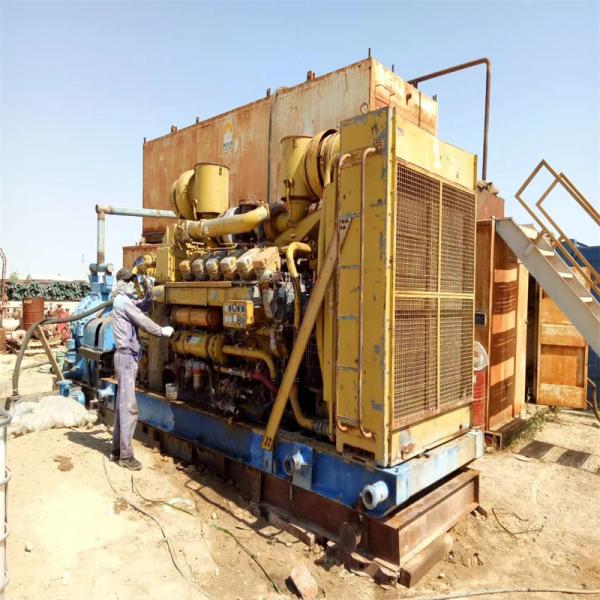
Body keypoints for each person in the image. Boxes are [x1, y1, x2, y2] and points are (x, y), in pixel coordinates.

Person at [111, 268, 173, 470]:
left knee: (121, 405)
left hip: (126, 358)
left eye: (133, 281)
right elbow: (143, 320)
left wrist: (149, 294)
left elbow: (142, 307)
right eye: (128, 281)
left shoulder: (125, 302)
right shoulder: (122, 302)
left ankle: (117, 450)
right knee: (129, 408)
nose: (132, 284)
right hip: (126, 358)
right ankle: (126, 457)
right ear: (120, 283)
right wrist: (161, 331)